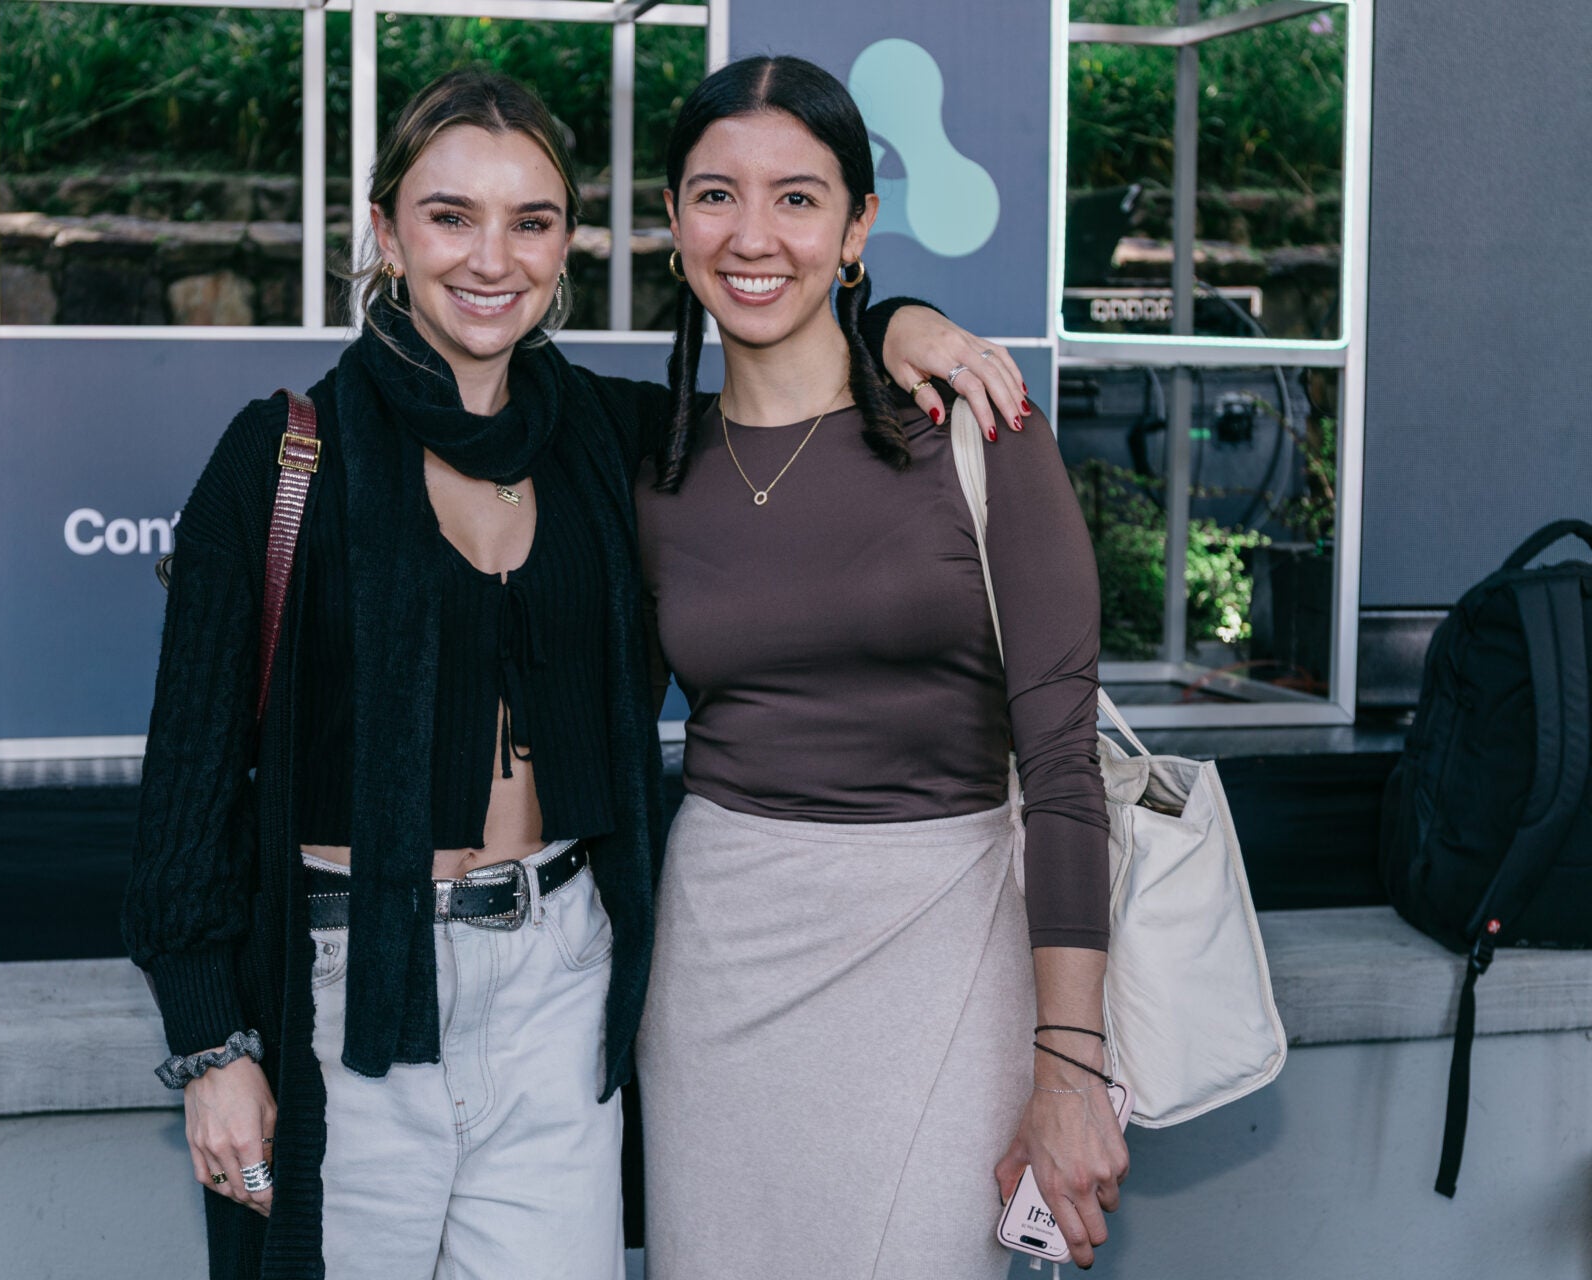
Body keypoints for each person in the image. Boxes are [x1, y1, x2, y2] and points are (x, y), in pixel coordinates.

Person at [121, 66, 1018, 1280]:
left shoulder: (610, 437)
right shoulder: (280, 457)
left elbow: (786, 360)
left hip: (559, 980)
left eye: (531, 221)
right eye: (451, 216)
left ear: (567, 247)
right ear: (385, 230)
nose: (492, 259)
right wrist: (213, 1049)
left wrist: (890, 320)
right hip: (347, 989)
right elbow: (184, 788)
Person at [634, 55, 1127, 1279]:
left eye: (799, 198)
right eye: (716, 194)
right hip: (718, 967)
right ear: (673, 220)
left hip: (944, 948)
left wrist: (1072, 1065)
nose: (754, 235)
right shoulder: (645, 462)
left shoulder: (977, 423)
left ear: (857, 227)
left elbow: (1064, 767)